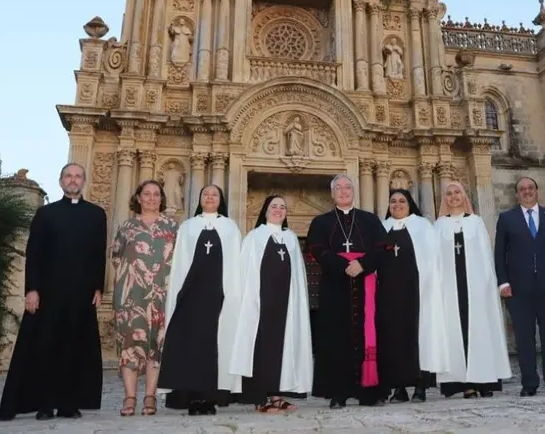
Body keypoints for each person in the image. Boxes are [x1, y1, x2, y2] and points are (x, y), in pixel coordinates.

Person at [0, 163, 107, 421]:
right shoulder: (46, 214)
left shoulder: (96, 215)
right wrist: (32, 290)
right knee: (44, 348)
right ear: (60, 181)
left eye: (78, 176)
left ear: (84, 181)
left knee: (75, 348)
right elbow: (34, 254)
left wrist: (98, 287)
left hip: (81, 294)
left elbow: (97, 255)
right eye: (68, 176)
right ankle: (44, 403)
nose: (73, 180)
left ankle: (69, 403)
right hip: (49, 293)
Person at [157, 184, 243, 415]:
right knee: (190, 345)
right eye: (205, 194)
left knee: (215, 345)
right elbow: (181, 263)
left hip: (219, 296)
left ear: (221, 200)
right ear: (200, 199)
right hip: (191, 296)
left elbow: (235, 265)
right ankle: (191, 397)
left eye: (214, 194)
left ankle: (210, 398)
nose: (210, 197)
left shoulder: (230, 228)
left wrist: (234, 294)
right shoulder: (188, 227)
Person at [307, 174, 390, 408]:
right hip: (335, 286)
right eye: (339, 188)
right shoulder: (321, 222)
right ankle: (338, 393)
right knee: (336, 338)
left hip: (367, 287)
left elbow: (382, 247)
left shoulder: (369, 220)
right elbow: (317, 250)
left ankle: (369, 392)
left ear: (353, 192)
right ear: (332, 194)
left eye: (347, 187)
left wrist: (363, 265)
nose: (343, 191)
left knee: (369, 336)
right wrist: (344, 266)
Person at [231, 195, 313, 414]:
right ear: (265, 211)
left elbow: (297, 275)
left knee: (282, 348)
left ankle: (276, 395)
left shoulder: (291, 238)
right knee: (261, 348)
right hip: (260, 303)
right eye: (274, 206)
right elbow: (245, 272)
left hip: (285, 304)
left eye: (282, 207)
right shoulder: (254, 237)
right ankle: (259, 398)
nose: (278, 210)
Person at [494, 176, 545, 396]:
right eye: (522, 189)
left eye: (530, 188)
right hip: (518, 290)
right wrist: (503, 282)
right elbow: (500, 254)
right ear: (516, 194)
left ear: (537, 191)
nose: (526, 191)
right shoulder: (507, 219)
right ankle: (529, 384)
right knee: (524, 338)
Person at [433, 181, 512, 398]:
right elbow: (436, 260)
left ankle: (484, 382)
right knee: (455, 334)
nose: (453, 196)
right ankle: (463, 383)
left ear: (464, 195)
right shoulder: (439, 225)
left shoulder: (476, 222)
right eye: (448, 194)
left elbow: (486, 256)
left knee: (480, 332)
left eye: (457, 192)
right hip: (450, 290)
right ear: (445, 199)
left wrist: (488, 286)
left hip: (476, 288)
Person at [109, 179, 178, 416]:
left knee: (156, 345)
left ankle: (150, 396)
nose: (151, 198)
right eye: (146, 194)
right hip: (131, 297)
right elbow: (116, 257)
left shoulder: (172, 227)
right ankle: (130, 397)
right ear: (138, 198)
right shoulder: (127, 227)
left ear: (161, 198)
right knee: (130, 345)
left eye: (156, 194)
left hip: (162, 295)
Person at [377, 189, 449, 403]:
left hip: (417, 291)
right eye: (393, 201)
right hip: (389, 293)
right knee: (394, 339)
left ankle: (420, 387)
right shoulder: (383, 227)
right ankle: (399, 388)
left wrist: (429, 286)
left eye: (402, 201)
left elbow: (432, 260)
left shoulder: (422, 226)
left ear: (409, 204)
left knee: (419, 337)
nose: (397, 204)